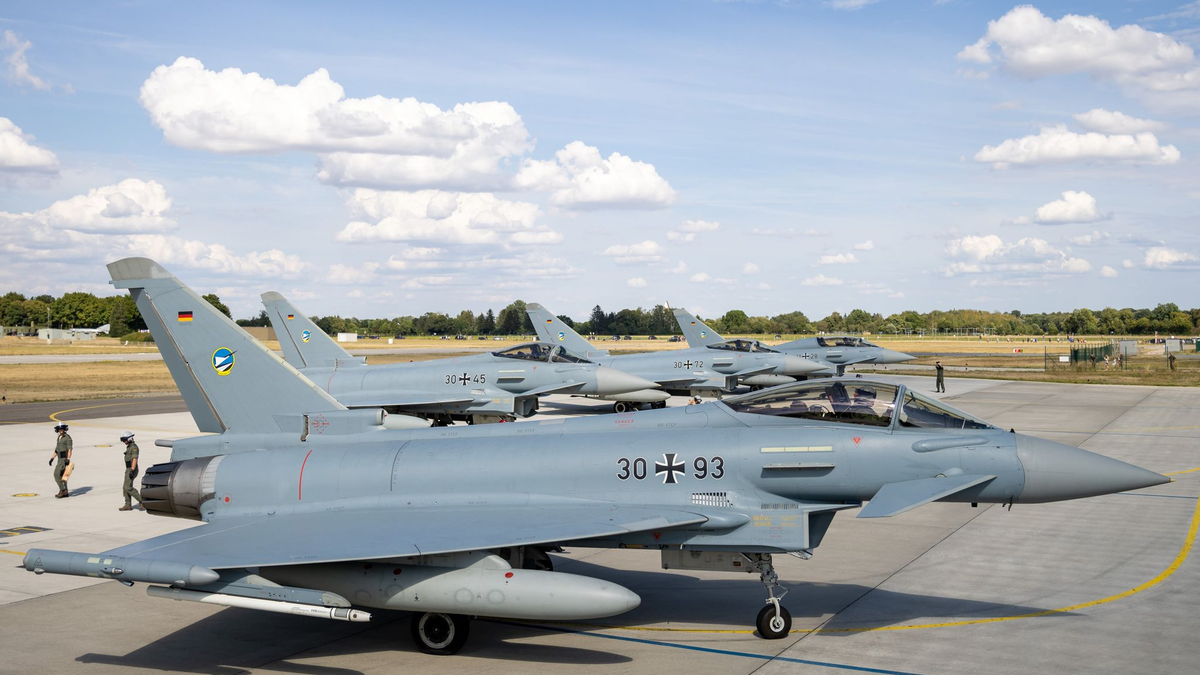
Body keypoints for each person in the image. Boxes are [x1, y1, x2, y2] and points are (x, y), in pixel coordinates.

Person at [118, 431, 144, 511]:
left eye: (124, 440)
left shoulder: (134, 448)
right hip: (128, 468)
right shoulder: (129, 447)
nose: (124, 442)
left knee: (128, 487)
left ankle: (142, 501)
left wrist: (132, 470)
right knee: (125, 487)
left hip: (132, 468)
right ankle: (128, 505)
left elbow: (135, 459)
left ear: (129, 439)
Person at [49, 423, 72, 498]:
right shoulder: (59, 437)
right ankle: (65, 492)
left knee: (56, 474)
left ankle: (63, 490)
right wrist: (52, 458)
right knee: (62, 476)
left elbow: (69, 449)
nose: (60, 430)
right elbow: (56, 450)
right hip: (59, 459)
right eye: (59, 429)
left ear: (65, 429)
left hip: (63, 459)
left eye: (62, 429)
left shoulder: (67, 438)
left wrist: (68, 459)